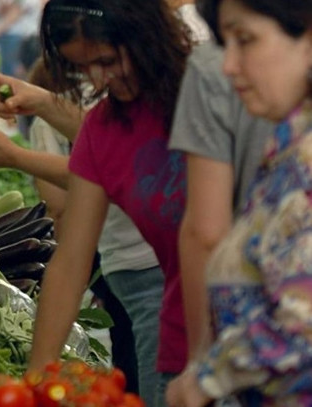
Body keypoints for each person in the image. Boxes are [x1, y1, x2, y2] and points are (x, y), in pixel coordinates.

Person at [0, 0, 192, 405]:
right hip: (180, 321)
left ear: (144, 34)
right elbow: (70, 262)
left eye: (107, 60)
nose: (100, 79)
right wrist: (37, 376)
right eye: (83, 69)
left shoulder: (206, 89)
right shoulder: (105, 126)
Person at [166, 0, 312, 405]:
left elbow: (303, 324)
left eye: (245, 40)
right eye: (225, 42)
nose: (228, 65)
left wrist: (205, 380)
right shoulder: (288, 142)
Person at [26, 57, 160, 398]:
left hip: (134, 267)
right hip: (128, 265)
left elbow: (58, 206)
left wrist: (12, 155)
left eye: (105, 61)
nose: (98, 79)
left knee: (137, 364)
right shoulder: (106, 117)